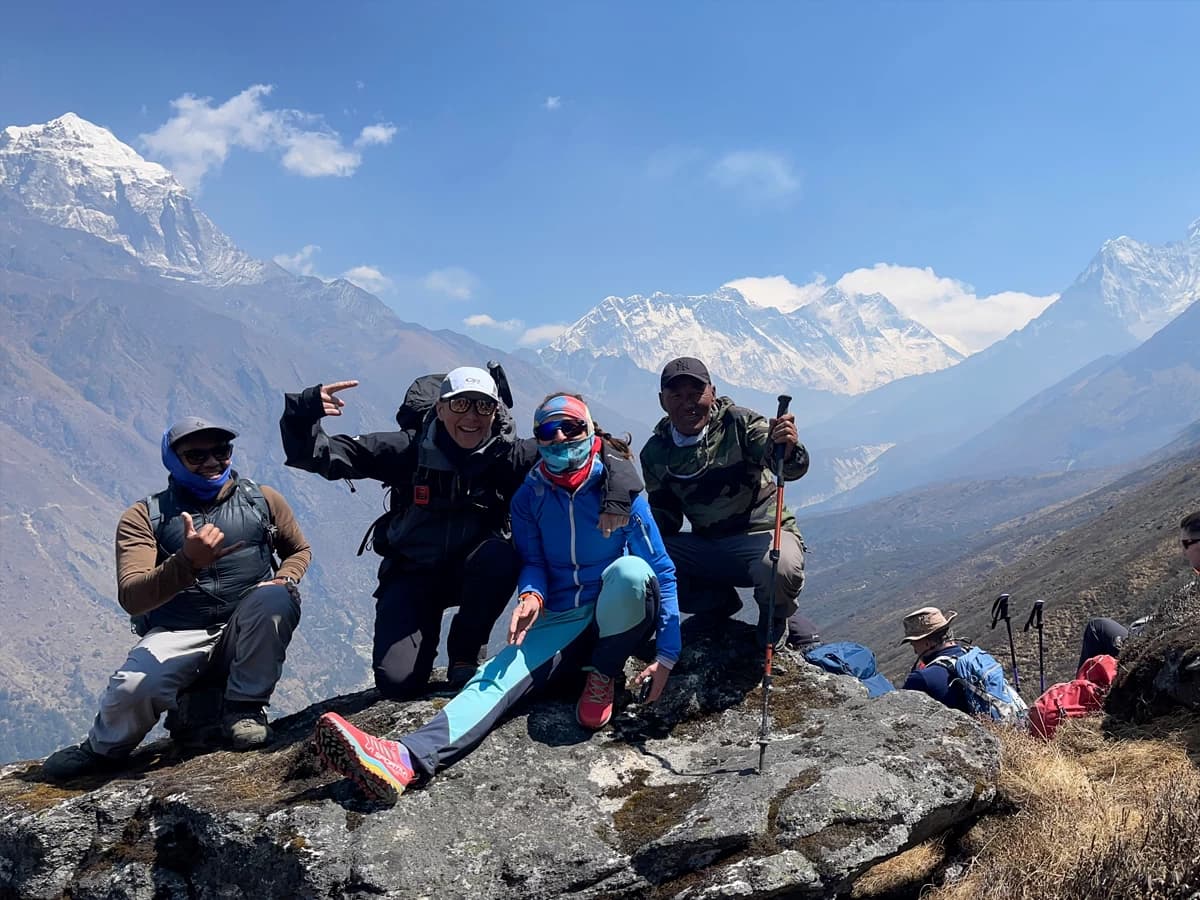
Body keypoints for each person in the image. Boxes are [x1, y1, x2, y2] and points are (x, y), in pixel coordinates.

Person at [311, 393, 681, 803]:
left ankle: (603, 672)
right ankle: (403, 758)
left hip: (620, 609)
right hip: (563, 617)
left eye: (571, 427)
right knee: (492, 679)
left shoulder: (620, 491)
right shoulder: (530, 497)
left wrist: (667, 655)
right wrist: (532, 594)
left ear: (589, 430)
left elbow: (661, 570)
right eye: (548, 430)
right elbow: (533, 561)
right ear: (538, 438)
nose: (560, 437)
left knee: (631, 572)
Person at [280, 367, 637, 698]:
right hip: (412, 573)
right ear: (440, 408)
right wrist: (302, 411)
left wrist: (619, 494)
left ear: (496, 412)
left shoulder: (507, 455)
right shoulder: (407, 450)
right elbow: (319, 456)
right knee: (397, 684)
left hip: (476, 572)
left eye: (484, 406)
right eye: (460, 404)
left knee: (503, 554)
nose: (472, 416)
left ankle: (465, 654)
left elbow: (595, 444)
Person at [42, 418, 310, 779]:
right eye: (196, 456)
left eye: (221, 451)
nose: (212, 462)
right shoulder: (145, 517)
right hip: (178, 632)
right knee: (134, 686)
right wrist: (187, 563)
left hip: (246, 624)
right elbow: (133, 597)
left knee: (277, 598)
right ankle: (103, 750)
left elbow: (298, 550)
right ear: (173, 460)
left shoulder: (261, 500)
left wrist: (284, 577)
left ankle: (245, 710)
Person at [639, 357, 810, 648]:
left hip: (762, 536)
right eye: (677, 396)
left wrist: (787, 448)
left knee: (779, 566)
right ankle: (715, 604)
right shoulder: (656, 452)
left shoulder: (741, 423)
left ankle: (774, 616)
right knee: (641, 559)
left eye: (696, 394)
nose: (688, 404)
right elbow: (666, 518)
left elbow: (784, 465)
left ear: (713, 393)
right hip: (709, 546)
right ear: (662, 401)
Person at [1078, 510, 1200, 669]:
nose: (1183, 552)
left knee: (1097, 628)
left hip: (1159, 655)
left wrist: (1136, 632)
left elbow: (1169, 624)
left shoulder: (1194, 592)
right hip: (1162, 644)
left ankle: (1085, 684)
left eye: (1186, 544)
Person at [899, 607, 971, 714]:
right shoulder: (972, 655)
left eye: (914, 645)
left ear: (927, 643)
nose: (915, 651)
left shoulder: (921, 678)